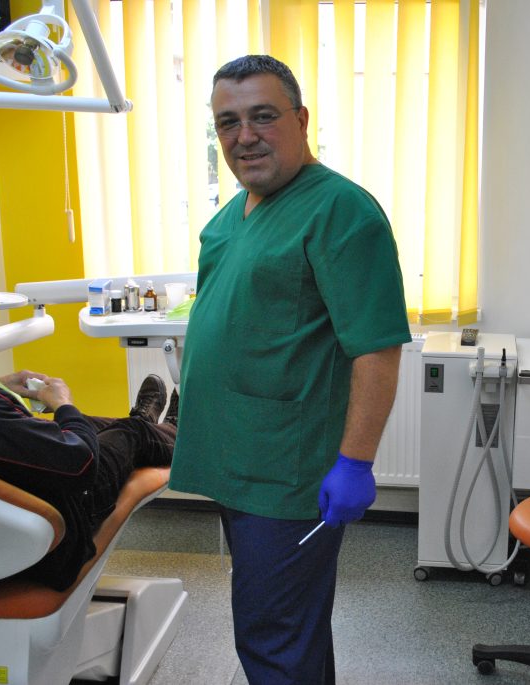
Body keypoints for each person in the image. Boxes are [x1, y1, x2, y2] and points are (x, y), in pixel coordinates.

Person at [169, 55, 411, 684]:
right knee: (288, 627)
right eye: (228, 123)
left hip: (287, 474)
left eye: (262, 117)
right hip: (239, 463)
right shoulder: (230, 218)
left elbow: (377, 348)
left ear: (301, 121)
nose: (244, 136)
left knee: (273, 634)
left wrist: (355, 463)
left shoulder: (341, 212)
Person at [0, 284, 177, 591]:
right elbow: (80, 462)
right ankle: (170, 431)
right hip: (41, 541)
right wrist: (63, 404)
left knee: (94, 425)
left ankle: (152, 428)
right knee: (130, 433)